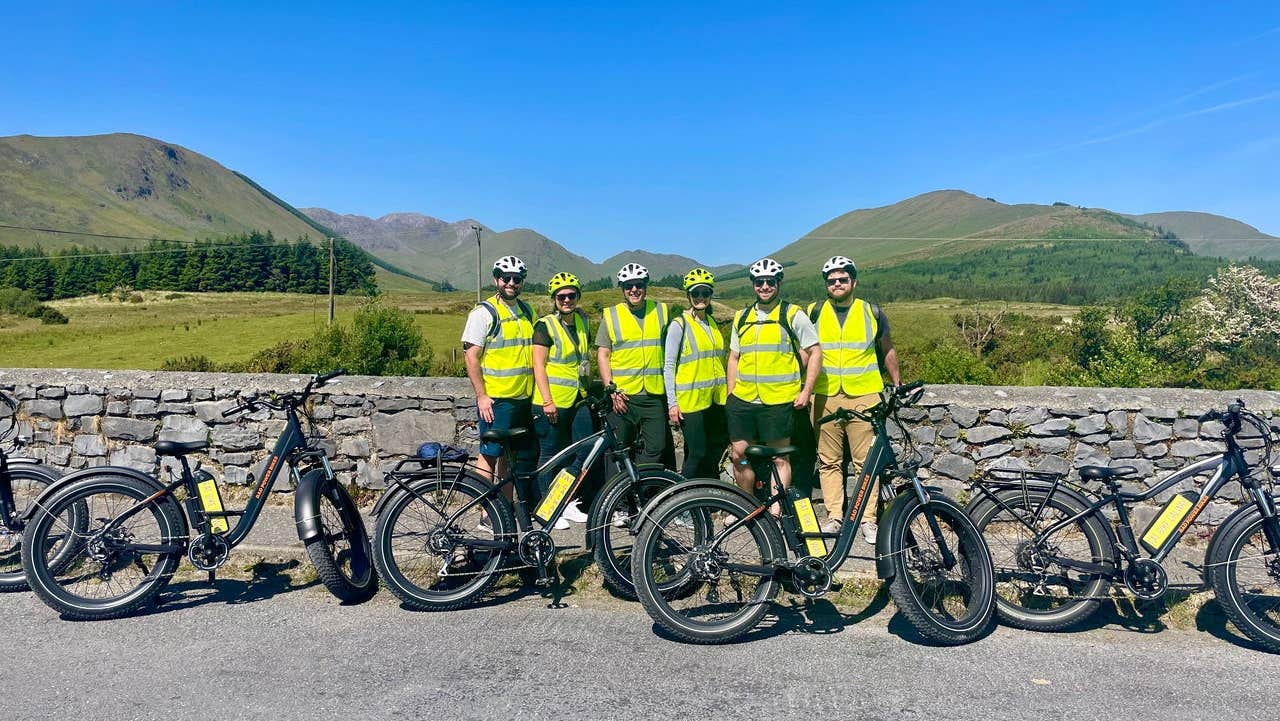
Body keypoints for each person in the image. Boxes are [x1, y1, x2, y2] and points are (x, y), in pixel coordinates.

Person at [809, 255, 900, 541]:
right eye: (832, 280)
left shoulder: (871, 311)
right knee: (828, 461)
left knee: (866, 463)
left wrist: (897, 382)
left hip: (864, 395)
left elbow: (887, 349)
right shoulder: (812, 312)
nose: (837, 283)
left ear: (853, 282)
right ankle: (834, 516)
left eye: (842, 279)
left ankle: (867, 519)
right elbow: (803, 354)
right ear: (826, 284)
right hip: (824, 395)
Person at [726, 257, 821, 517]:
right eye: (759, 282)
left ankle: (775, 511)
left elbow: (814, 352)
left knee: (780, 458)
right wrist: (731, 392)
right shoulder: (741, 317)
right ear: (753, 285)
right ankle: (744, 506)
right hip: (744, 400)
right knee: (739, 455)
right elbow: (734, 357)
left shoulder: (793, 314)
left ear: (778, 283)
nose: (765, 286)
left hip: (778, 401)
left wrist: (806, 390)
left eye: (770, 282)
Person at [460, 255, 538, 495]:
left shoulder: (527, 310)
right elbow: (471, 356)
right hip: (496, 400)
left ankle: (503, 508)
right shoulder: (483, 313)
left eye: (517, 279)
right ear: (496, 280)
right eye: (506, 278)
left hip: (523, 399)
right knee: (489, 455)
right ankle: (485, 510)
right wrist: (482, 396)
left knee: (510, 457)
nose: (511, 283)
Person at [531, 272, 594, 530]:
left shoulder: (582, 320)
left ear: (577, 297)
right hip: (551, 402)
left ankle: (565, 500)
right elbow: (538, 364)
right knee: (550, 456)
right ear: (554, 299)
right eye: (561, 296)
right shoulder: (544, 326)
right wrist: (547, 400)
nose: (567, 300)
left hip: (577, 399)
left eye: (571, 295)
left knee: (584, 450)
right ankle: (549, 508)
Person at [596, 263, 670, 471]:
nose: (634, 289)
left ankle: (642, 492)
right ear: (622, 288)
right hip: (622, 397)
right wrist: (611, 389)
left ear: (645, 286)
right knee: (617, 451)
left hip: (653, 394)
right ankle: (617, 502)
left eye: (638, 285)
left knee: (656, 447)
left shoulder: (662, 311)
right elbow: (603, 354)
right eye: (628, 285)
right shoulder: (611, 315)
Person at [663, 268, 729, 479]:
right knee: (698, 452)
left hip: (714, 399)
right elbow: (669, 365)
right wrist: (672, 403)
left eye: (705, 293)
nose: (700, 297)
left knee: (711, 449)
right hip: (690, 402)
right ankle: (681, 501)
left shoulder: (711, 323)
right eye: (696, 293)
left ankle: (704, 496)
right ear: (688, 296)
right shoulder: (679, 324)